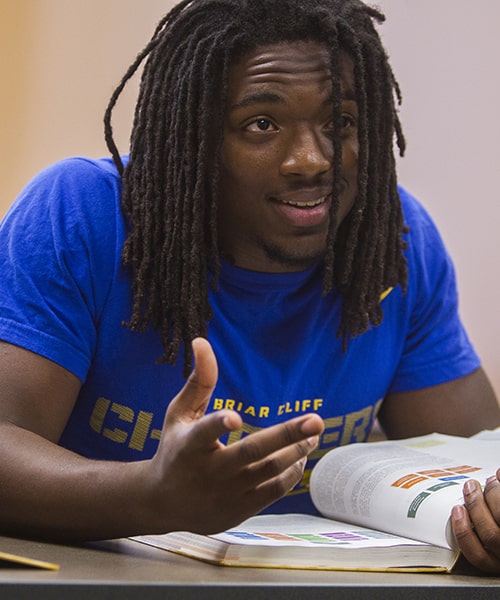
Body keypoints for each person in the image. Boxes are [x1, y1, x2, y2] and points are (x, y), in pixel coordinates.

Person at [1, 0, 500, 573]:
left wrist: (488, 521)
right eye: (261, 124)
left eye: (338, 124)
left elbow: (473, 458)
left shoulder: (393, 247)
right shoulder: (81, 215)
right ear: (193, 137)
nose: (311, 160)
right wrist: (150, 494)